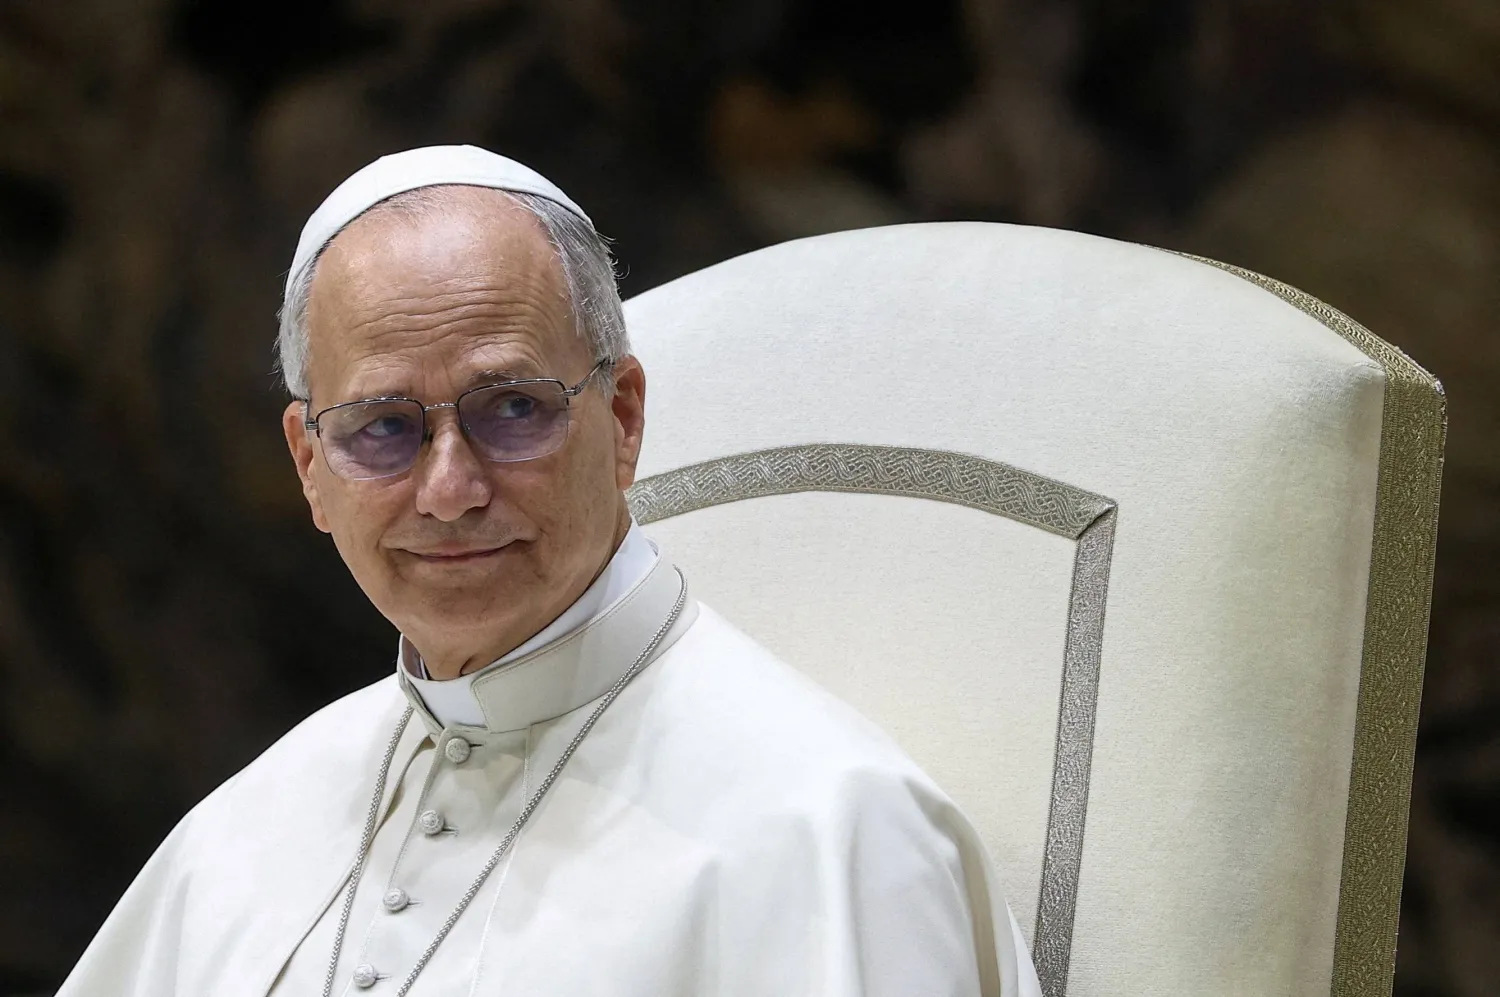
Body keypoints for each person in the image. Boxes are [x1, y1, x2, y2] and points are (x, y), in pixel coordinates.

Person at [55, 145, 1043, 997]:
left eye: (513, 408)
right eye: (383, 428)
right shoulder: (242, 834)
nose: (450, 489)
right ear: (310, 466)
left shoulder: (827, 831)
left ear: (622, 419)